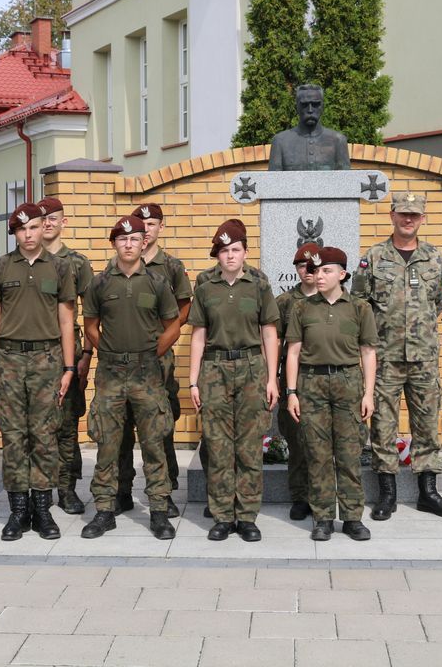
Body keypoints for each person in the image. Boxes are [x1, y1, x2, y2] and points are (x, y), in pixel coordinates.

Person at [352, 191, 442, 521]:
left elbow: (437, 301)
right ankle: (388, 493)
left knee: (426, 423)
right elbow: (359, 305)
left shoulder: (434, 257)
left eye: (414, 214)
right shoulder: (374, 257)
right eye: (402, 213)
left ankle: (428, 491)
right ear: (392, 216)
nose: (408, 219)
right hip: (384, 358)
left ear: (423, 218)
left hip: (424, 357)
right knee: (383, 425)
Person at [81, 215, 181, 540]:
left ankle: (159, 511)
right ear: (114, 243)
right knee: (108, 443)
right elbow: (91, 325)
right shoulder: (99, 283)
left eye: (135, 239)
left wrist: (153, 353)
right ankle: (104, 510)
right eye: (122, 239)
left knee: (153, 443)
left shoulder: (156, 283)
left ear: (143, 243)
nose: (128, 244)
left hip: (147, 374)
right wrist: (108, 351)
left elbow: (173, 325)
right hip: (111, 374)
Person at [0, 202, 76, 541]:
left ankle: (43, 509)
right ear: (15, 233)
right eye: (22, 229)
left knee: (44, 435)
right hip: (8, 360)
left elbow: (67, 319)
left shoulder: (60, 268)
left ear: (43, 228)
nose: (28, 234)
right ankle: (18, 511)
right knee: (13, 436)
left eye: (34, 227)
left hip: (47, 359)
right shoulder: (0, 267)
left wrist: (68, 367)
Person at [187, 219, 279, 541]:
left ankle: (248, 516)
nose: (230, 256)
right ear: (217, 254)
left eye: (236, 250)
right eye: (224, 251)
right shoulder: (205, 284)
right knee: (219, 446)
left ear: (245, 252)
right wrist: (193, 381)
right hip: (214, 370)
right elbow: (198, 334)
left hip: (252, 368)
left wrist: (272, 378)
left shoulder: (259, 283)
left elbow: (269, 331)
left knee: (250, 447)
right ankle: (223, 516)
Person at [284, 246, 378, 541]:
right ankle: (322, 516)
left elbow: (368, 352)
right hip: (311, 384)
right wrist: (292, 392)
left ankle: (352, 517)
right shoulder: (302, 307)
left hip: (347, 382)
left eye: (326, 270)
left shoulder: (360, 308)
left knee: (349, 452)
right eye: (315, 270)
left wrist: (368, 393)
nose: (318, 276)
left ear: (342, 274)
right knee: (317, 453)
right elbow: (294, 352)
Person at [115, 203, 191, 517]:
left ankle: (165, 488)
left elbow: (185, 309)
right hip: (123, 362)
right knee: (121, 426)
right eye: (140, 223)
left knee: (160, 426)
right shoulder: (116, 265)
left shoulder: (171, 266)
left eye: (152, 223)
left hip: (159, 360)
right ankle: (121, 490)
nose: (146, 229)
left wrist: (162, 342)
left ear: (161, 227)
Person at [38, 196, 94, 515]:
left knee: (68, 422)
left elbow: (91, 310)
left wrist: (86, 353)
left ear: (64, 222)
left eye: (53, 217)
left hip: (68, 350)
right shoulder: (27, 260)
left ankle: (67, 489)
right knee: (38, 422)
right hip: (34, 352)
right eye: (42, 217)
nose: (47, 222)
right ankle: (41, 487)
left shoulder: (77, 262)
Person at [275, 243, 320, 521]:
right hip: (293, 380)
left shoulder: (334, 298)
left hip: (323, 378)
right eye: (302, 266)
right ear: (296, 269)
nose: (308, 271)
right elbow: (275, 341)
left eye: (313, 266)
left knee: (322, 444)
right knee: (297, 442)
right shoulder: (284, 302)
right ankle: (300, 496)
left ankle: (322, 495)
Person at [267, 84, 350, 172]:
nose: (310, 110)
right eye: (304, 105)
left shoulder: (338, 141)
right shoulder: (280, 141)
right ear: (297, 106)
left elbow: (345, 182)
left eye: (315, 104)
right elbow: (273, 182)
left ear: (322, 106)